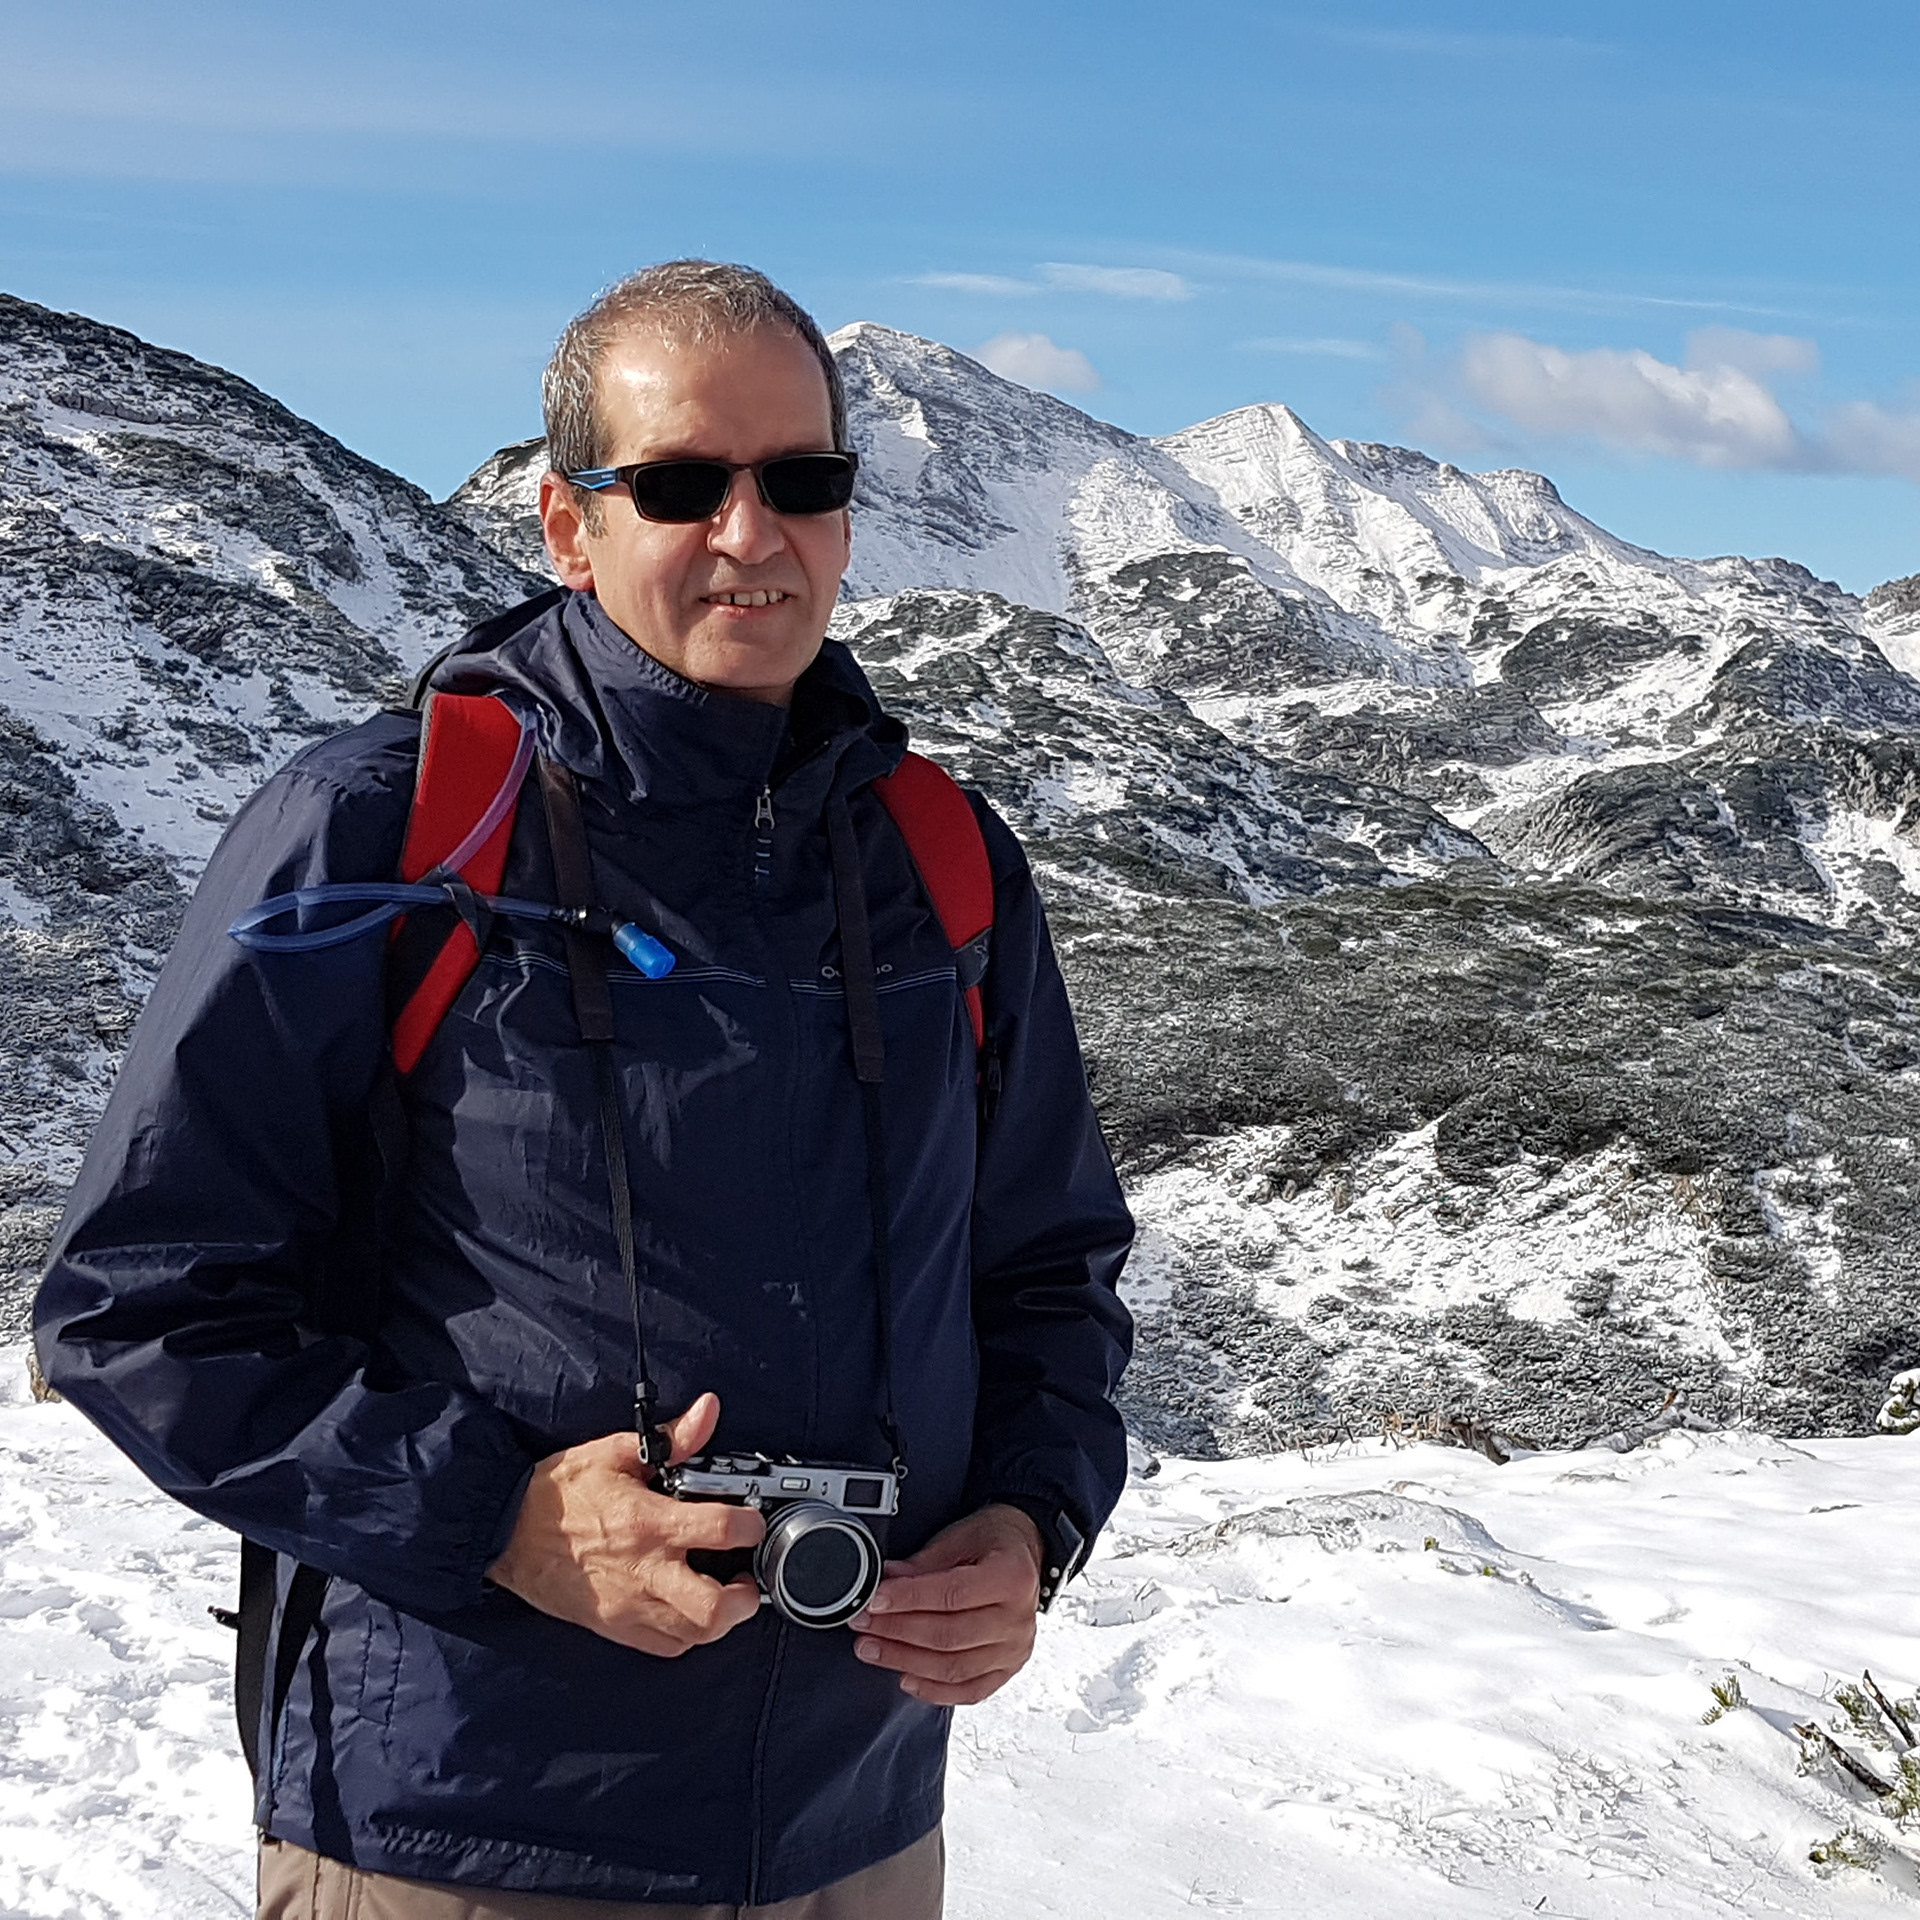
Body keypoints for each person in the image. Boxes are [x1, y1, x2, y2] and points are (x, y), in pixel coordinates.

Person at [34, 260, 1134, 1918]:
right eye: (682, 486)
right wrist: (495, 1519)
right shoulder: (385, 833)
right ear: (569, 524)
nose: (752, 535)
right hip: (467, 1829)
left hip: (853, 1826)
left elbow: (1048, 1268)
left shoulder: (940, 857)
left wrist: (1032, 1522)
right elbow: (138, 1306)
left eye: (803, 480)